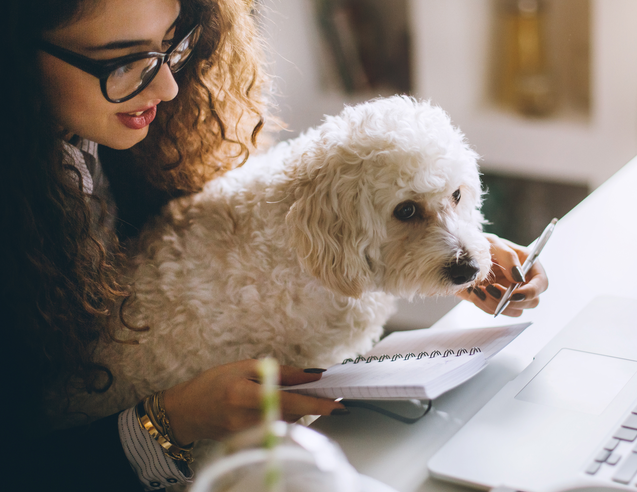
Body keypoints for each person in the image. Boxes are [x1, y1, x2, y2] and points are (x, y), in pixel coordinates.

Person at [2, 0, 548, 490]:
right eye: (122, 60)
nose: (168, 86)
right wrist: (168, 420)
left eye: (171, 41)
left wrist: (447, 257)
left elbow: (298, 230)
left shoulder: (145, 128)